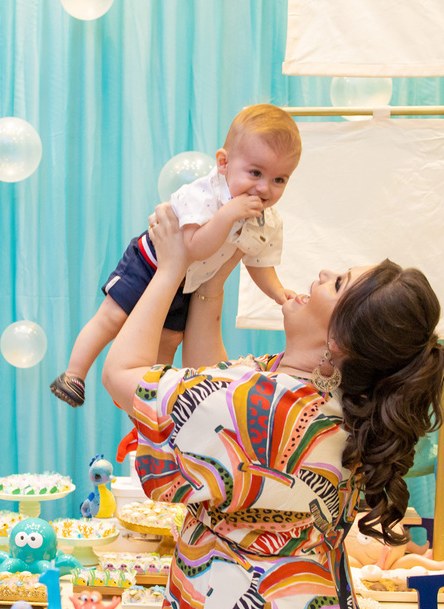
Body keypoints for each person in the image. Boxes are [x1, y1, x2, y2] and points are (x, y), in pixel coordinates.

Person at [101, 204, 444, 609]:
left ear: (339, 340)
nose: (317, 276)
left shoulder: (262, 405)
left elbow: (124, 372)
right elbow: (209, 384)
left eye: (335, 282)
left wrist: (169, 268)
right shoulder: (340, 405)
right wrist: (212, 279)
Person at [51, 104, 302, 408]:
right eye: (255, 173)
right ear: (223, 163)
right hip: (151, 261)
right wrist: (226, 216)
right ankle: (74, 374)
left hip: (188, 282)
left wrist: (278, 293)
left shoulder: (266, 220)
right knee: (112, 317)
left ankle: (150, 399)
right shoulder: (205, 195)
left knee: (169, 338)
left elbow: (259, 263)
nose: (264, 188)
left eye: (279, 180)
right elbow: (193, 246)